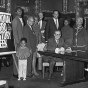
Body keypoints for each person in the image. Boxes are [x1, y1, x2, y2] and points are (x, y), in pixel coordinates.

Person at [12, 7, 24, 77]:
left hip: (21, 41)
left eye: (21, 11)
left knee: (20, 57)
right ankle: (15, 73)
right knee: (16, 57)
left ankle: (19, 72)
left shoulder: (21, 19)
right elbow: (14, 32)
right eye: (19, 11)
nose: (20, 12)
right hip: (17, 41)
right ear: (16, 12)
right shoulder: (15, 20)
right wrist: (17, 42)